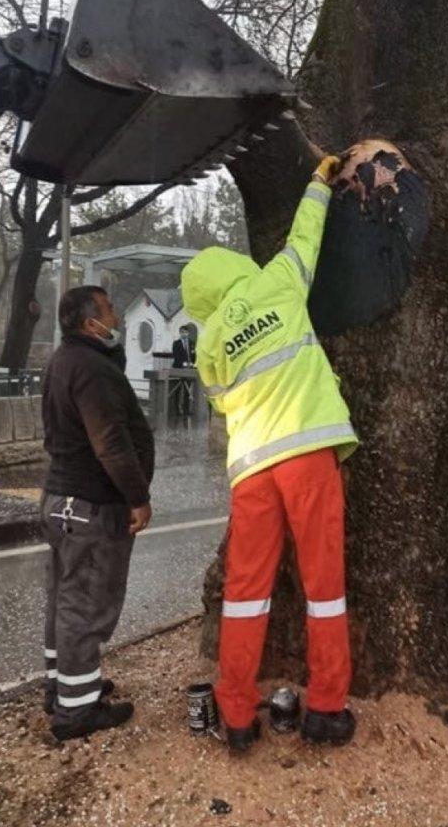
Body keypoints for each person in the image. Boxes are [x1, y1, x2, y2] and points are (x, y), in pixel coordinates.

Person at [180, 155, 359, 752]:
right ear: (236, 267)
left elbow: (222, 405)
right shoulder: (276, 281)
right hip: (307, 449)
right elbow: (304, 235)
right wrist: (317, 181)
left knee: (245, 593)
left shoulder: (207, 341)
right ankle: (326, 710)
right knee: (324, 585)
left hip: (252, 468)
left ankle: (235, 716)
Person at [40, 285, 154, 741]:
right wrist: (138, 496)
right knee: (85, 609)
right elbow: (110, 441)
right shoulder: (92, 369)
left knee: (65, 603)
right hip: (91, 506)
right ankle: (76, 713)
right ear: (91, 324)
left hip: (60, 502)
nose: (117, 320)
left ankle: (66, 688)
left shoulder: (60, 362)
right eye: (110, 311)